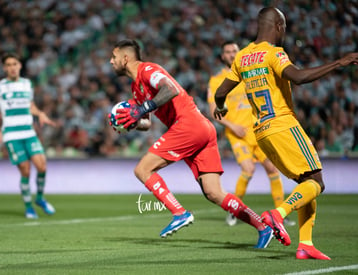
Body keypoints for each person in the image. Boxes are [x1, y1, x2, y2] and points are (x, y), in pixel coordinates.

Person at [214, 7, 358, 260]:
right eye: (285, 28)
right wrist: (339, 62)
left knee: (306, 183)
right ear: (278, 26)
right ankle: (278, 214)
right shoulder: (274, 53)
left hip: (262, 132)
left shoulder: (242, 57)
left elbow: (220, 92)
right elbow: (298, 77)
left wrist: (220, 107)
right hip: (282, 124)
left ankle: (305, 244)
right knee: (317, 182)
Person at [109, 39, 275, 248]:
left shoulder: (148, 69)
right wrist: (130, 122)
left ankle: (179, 212)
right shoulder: (136, 88)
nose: (110, 61)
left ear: (126, 59)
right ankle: (262, 226)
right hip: (201, 129)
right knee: (214, 193)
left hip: (188, 124)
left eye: (114, 57)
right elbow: (146, 123)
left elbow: (170, 89)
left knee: (143, 170)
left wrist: (142, 109)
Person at [207, 41, 295, 227]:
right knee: (248, 169)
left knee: (272, 169)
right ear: (222, 56)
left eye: (234, 51)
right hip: (238, 134)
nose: (231, 55)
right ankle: (234, 211)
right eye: (227, 52)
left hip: (259, 130)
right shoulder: (217, 80)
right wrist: (232, 126)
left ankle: (281, 214)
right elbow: (213, 110)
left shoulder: (248, 73)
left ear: (239, 53)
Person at [0, 52, 57, 219]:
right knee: (25, 171)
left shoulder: (27, 84)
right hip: (12, 134)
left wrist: (40, 114)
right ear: (5, 68)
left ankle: (40, 198)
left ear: (20, 66)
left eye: (15, 64)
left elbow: (30, 106)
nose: (12, 67)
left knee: (42, 166)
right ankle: (28, 207)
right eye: (9, 65)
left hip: (28, 131)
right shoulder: (0, 87)